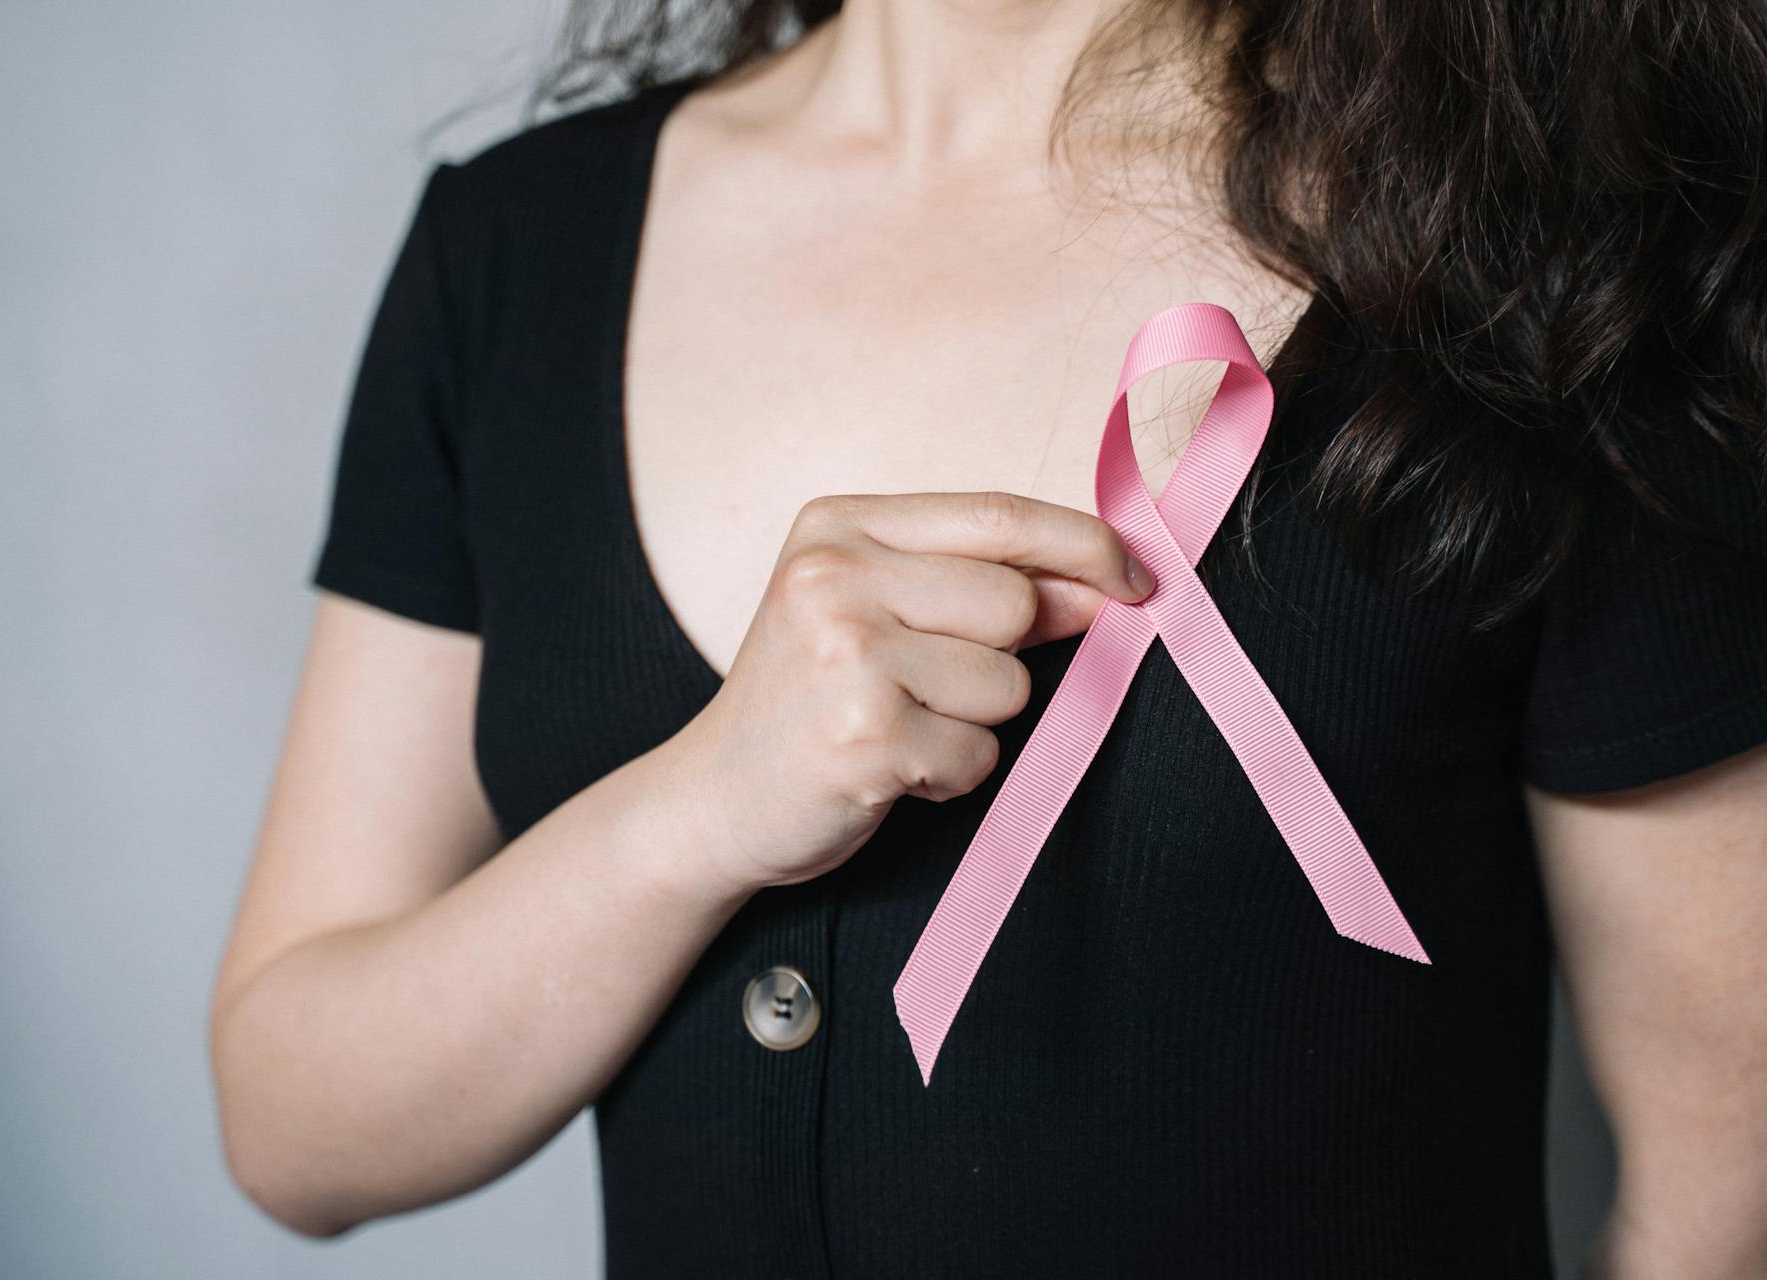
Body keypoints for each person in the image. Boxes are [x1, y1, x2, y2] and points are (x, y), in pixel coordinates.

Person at [207, 1, 1767, 1275]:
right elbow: (294, 1123)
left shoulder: (1556, 259)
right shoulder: (508, 253)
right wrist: (692, 813)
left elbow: (1725, 1177)